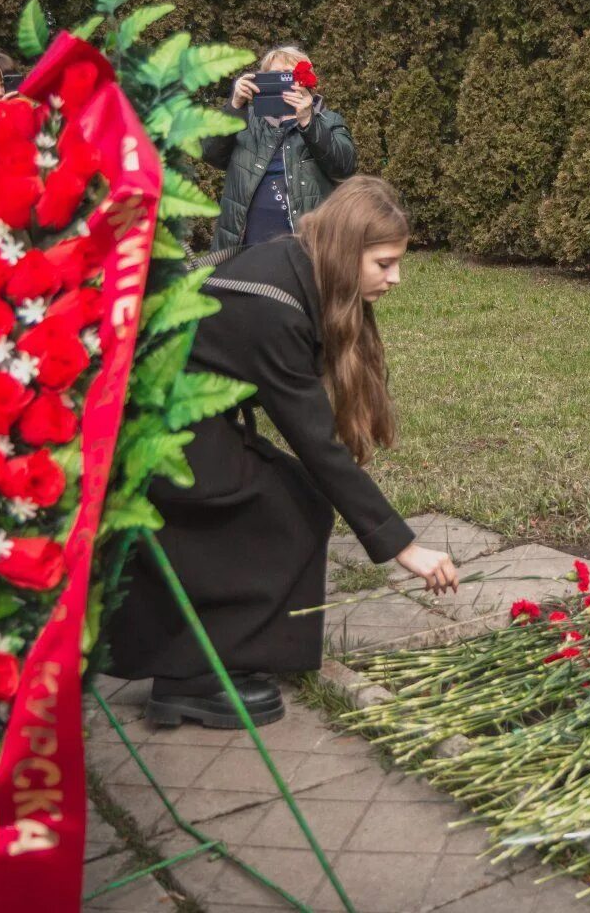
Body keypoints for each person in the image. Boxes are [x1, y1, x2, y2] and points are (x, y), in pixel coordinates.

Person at [106, 176, 458, 728]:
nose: (396, 278)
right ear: (348, 252)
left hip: (181, 416)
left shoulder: (298, 264)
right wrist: (403, 548)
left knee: (294, 497)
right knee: (275, 504)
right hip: (146, 430)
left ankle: (226, 655)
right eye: (385, 263)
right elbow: (316, 444)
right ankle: (190, 679)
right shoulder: (275, 308)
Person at [203, 45, 357, 251]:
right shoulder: (245, 121)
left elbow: (345, 167)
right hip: (245, 243)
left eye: (289, 76)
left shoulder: (328, 121)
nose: (282, 83)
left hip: (305, 247)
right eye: (274, 76)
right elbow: (211, 153)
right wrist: (235, 105)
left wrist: (309, 122)